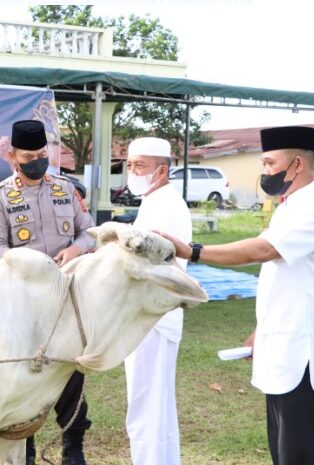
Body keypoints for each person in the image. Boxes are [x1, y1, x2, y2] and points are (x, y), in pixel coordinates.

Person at [160, 126, 314, 465]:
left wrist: (192, 251)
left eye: (270, 163)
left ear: (298, 164)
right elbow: (287, 278)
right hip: (282, 341)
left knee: (305, 453)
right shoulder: (291, 206)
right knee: (286, 451)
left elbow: (262, 250)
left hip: (302, 348)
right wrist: (263, 330)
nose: (265, 172)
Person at [0, 120, 95, 465]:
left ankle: (73, 445)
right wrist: (32, 264)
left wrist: (75, 250)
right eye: (30, 156)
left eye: (43, 155)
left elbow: (90, 232)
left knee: (70, 372)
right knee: (26, 376)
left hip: (66, 299)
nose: (38, 161)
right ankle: (25, 448)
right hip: (23, 305)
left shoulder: (65, 189)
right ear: (13, 156)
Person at [122, 137, 192, 465]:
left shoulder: (166, 205)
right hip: (152, 316)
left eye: (141, 165)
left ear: (161, 170)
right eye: (130, 164)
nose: (133, 171)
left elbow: (148, 262)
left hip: (152, 318)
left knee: (146, 408)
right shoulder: (155, 200)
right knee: (156, 407)